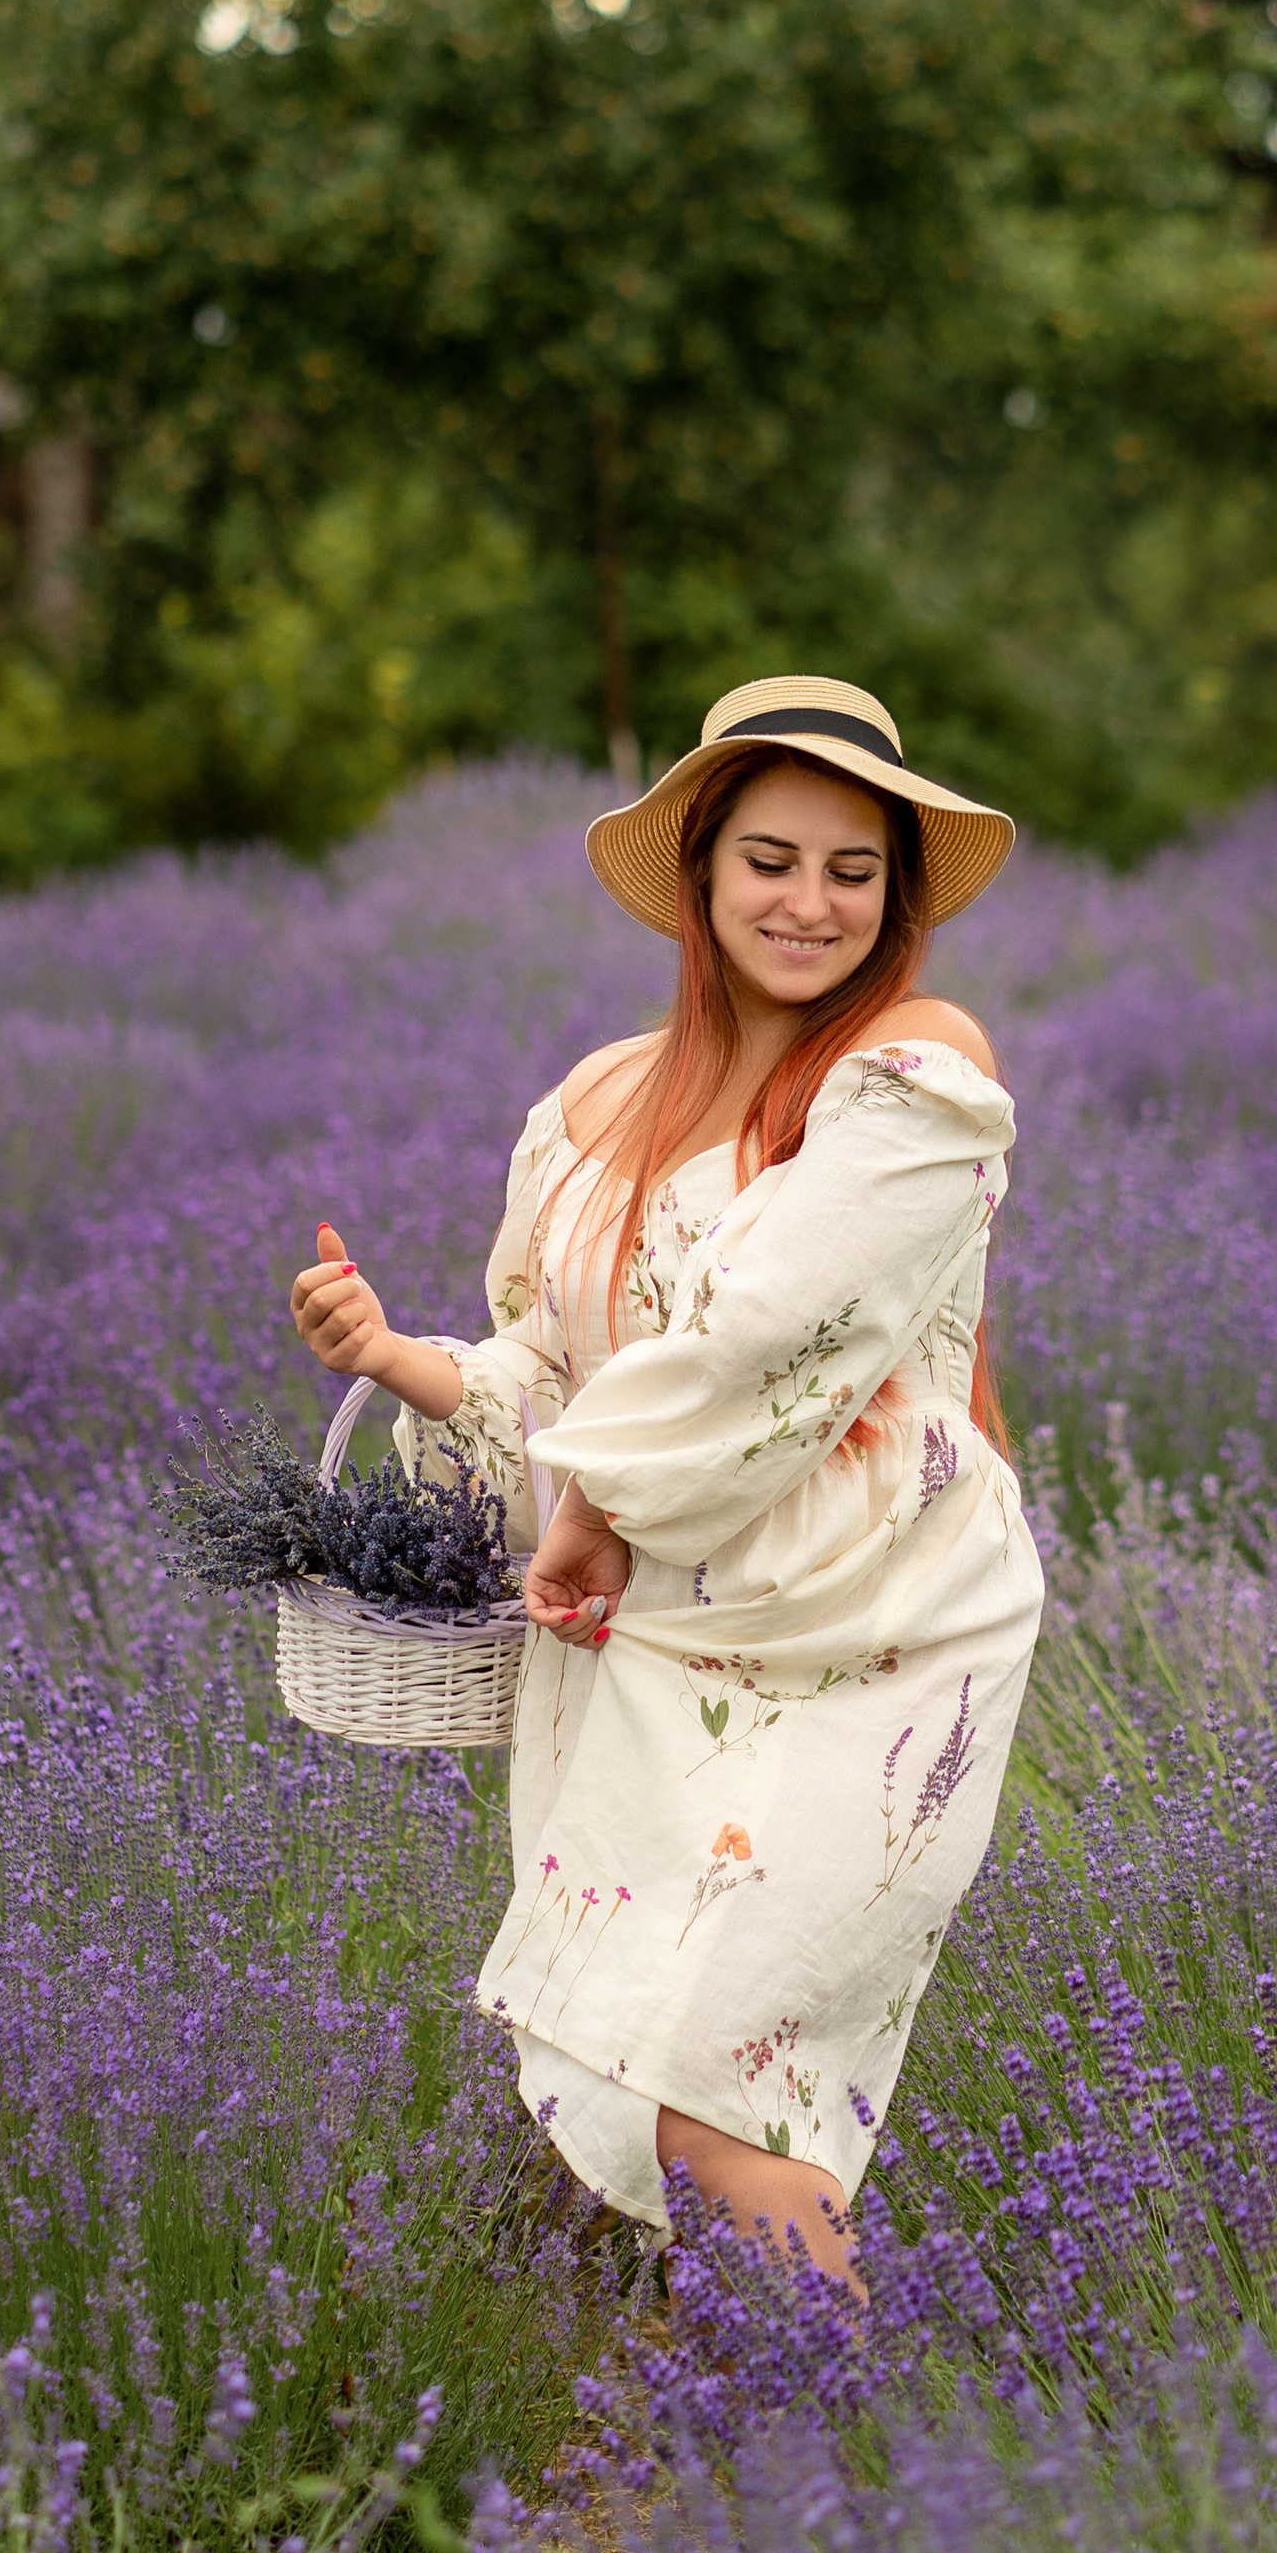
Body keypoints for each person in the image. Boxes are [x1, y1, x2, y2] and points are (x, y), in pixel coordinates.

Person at [287, 674, 1043, 2289]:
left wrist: (593, 1506)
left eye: (856, 870)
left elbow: (771, 1337)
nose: (812, 901)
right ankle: (737, 2492)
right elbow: (553, 1380)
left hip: (873, 1632)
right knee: (662, 2083)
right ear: (700, 870)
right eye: (772, 857)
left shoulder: (916, 1066)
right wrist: (400, 1363)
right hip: (655, 1647)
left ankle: (843, 2494)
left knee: (732, 2091)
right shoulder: (590, 1107)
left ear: (897, 896)